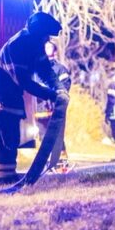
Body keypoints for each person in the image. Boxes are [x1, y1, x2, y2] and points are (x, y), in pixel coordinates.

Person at [0, 11, 65, 184]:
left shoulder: (35, 44)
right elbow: (24, 81)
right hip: (0, 94)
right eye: (45, 36)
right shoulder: (17, 47)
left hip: (11, 92)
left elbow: (46, 71)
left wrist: (59, 88)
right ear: (38, 33)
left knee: (0, 130)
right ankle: (6, 177)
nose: (47, 40)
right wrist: (50, 94)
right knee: (8, 135)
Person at [35, 42, 72, 173]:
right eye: (44, 47)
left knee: (56, 135)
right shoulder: (36, 68)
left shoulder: (60, 69)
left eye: (49, 47)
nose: (46, 49)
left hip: (55, 108)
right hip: (40, 110)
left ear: (55, 51)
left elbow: (65, 85)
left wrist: (55, 97)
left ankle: (61, 163)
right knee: (43, 137)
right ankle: (47, 163)